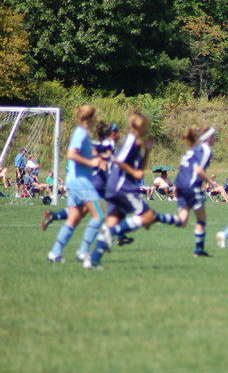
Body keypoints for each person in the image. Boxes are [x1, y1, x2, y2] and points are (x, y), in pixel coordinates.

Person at [87, 113, 181, 268]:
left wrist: (147, 151)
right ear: (139, 126)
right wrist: (134, 173)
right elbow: (118, 161)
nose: (147, 128)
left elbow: (140, 171)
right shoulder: (131, 140)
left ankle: (93, 260)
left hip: (116, 187)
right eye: (146, 125)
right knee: (147, 216)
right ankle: (112, 233)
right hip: (122, 187)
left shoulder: (136, 142)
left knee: (112, 221)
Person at [46, 105, 103, 263]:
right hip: (81, 183)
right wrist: (91, 163)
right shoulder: (80, 133)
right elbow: (71, 154)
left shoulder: (84, 133)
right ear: (90, 118)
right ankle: (83, 253)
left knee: (73, 218)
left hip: (75, 182)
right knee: (99, 216)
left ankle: (55, 254)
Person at [173, 126, 219, 257]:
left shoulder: (193, 149)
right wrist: (210, 182)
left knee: (182, 221)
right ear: (208, 138)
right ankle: (199, 251)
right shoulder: (206, 150)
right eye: (213, 136)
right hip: (191, 186)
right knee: (201, 218)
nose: (214, 139)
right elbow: (198, 170)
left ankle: (156, 218)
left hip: (180, 184)